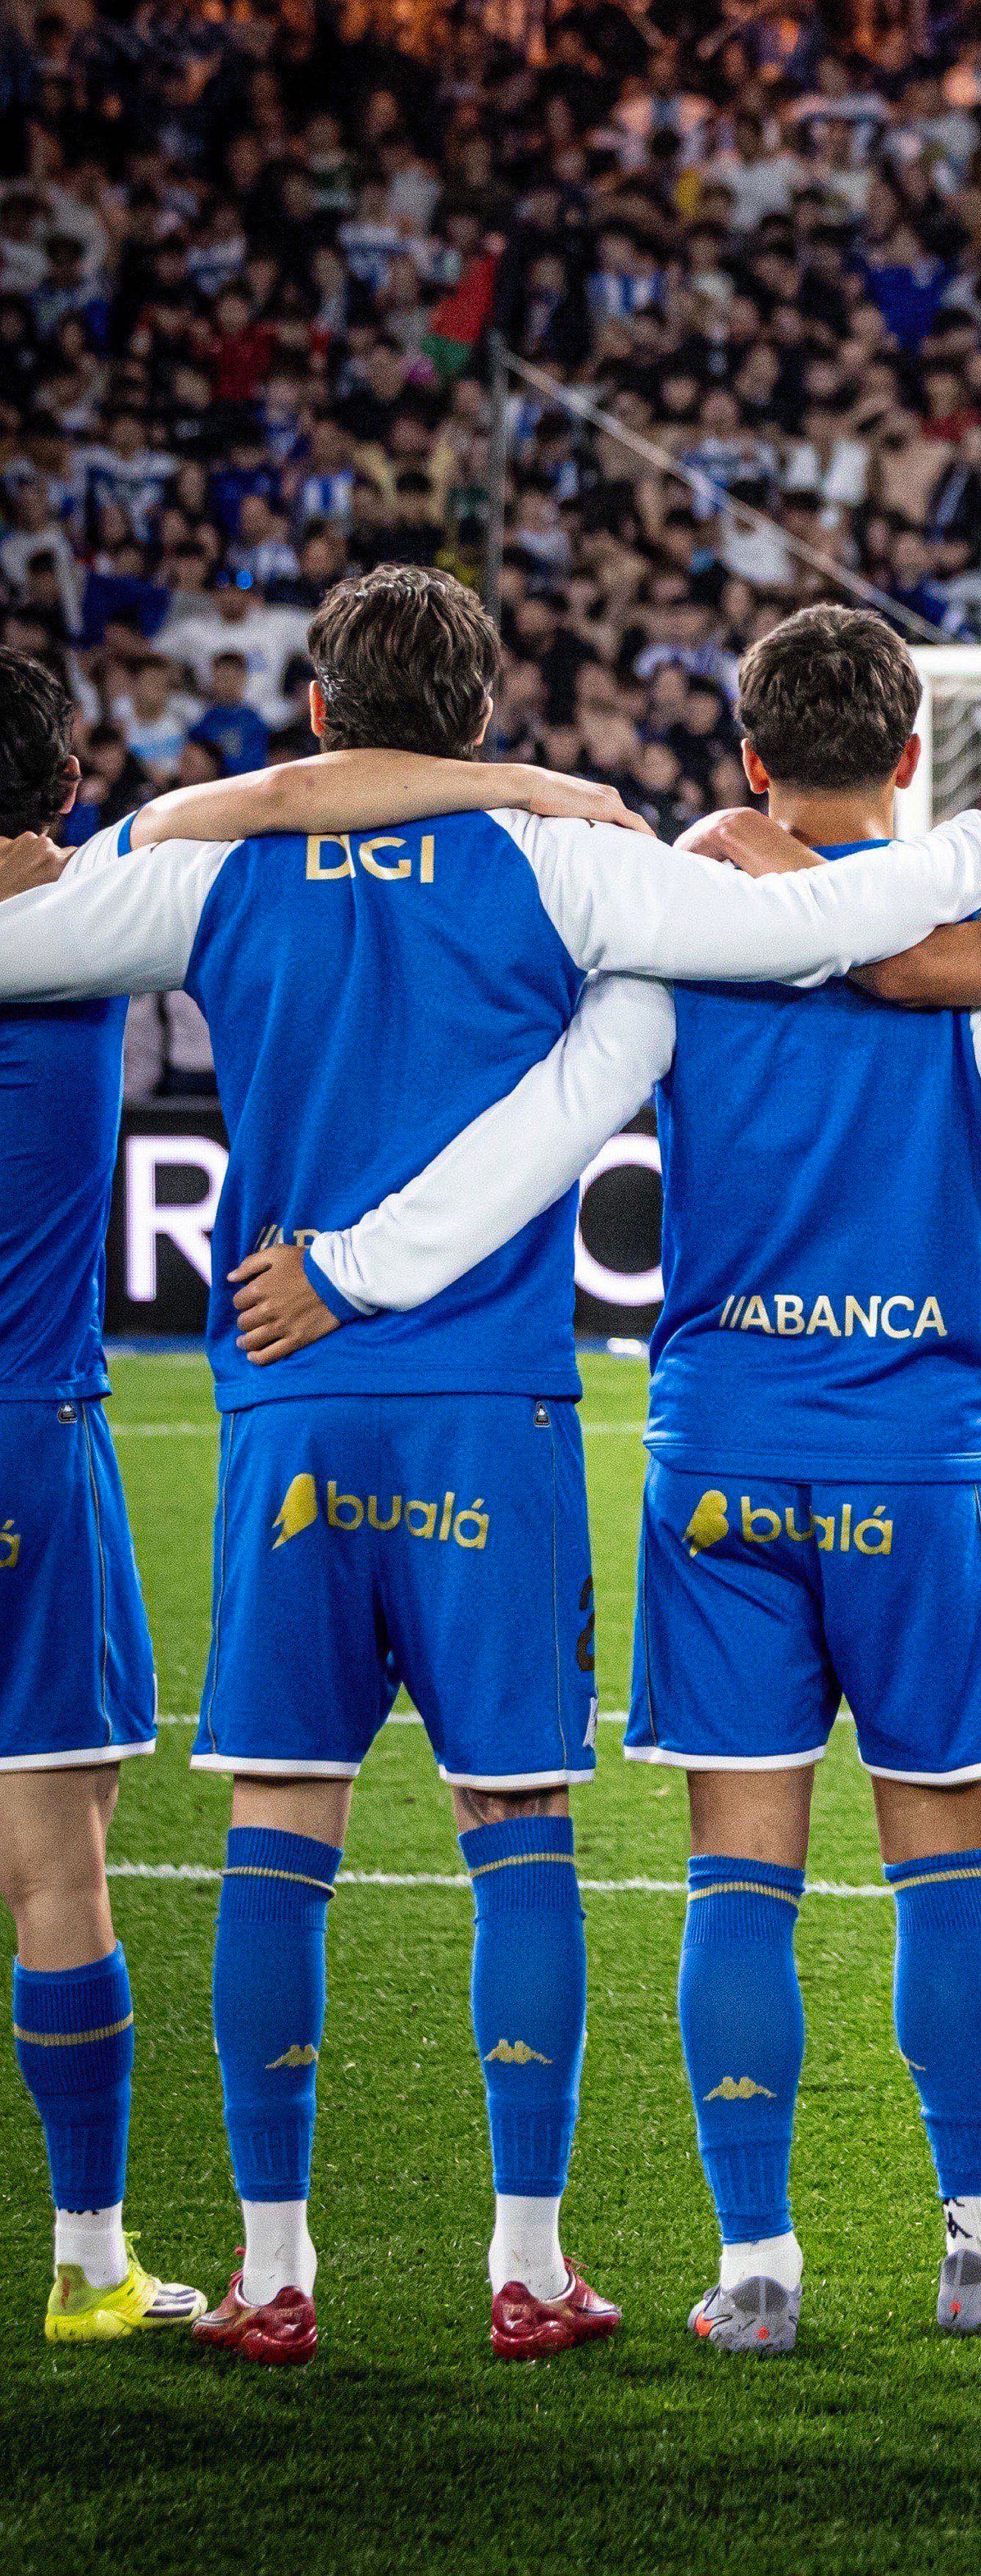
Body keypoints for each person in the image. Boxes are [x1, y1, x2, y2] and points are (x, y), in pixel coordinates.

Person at [221, 605, 981, 2356]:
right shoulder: (978, 960)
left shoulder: (676, 946)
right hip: (918, 1460)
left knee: (740, 1866)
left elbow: (534, 1140)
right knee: (942, 1850)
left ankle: (757, 2268)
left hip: (723, 1456)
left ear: (749, 759)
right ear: (908, 757)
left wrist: (350, 1270)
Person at [0, 565, 981, 2367]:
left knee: (277, 1823)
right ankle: (530, 2262)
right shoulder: (561, 862)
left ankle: (269, 2268)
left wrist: (221, 805)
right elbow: (830, 917)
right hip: (492, 1403)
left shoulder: (213, 872)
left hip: (287, 1395)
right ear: (483, 718)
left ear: (318, 714)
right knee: (515, 1826)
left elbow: (30, 934)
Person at [0, 656, 203, 2344]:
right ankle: (88, 2263)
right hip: (24, 1432)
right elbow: (286, 798)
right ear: (65, 782)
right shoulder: (87, 914)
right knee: (55, 1855)